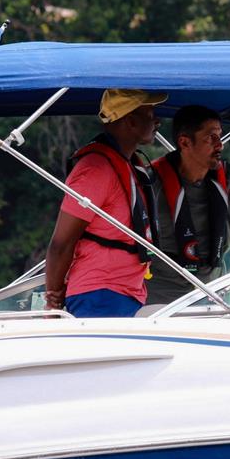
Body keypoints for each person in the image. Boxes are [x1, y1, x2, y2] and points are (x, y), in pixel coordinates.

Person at [45, 88, 167, 317]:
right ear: (131, 121)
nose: (157, 121)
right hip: (99, 294)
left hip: (126, 293)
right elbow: (61, 243)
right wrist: (53, 299)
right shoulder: (95, 170)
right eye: (150, 116)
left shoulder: (128, 165)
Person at [145, 105, 230, 304]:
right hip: (158, 297)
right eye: (211, 138)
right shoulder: (149, 182)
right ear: (184, 142)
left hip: (214, 294)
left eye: (220, 136)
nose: (220, 145)